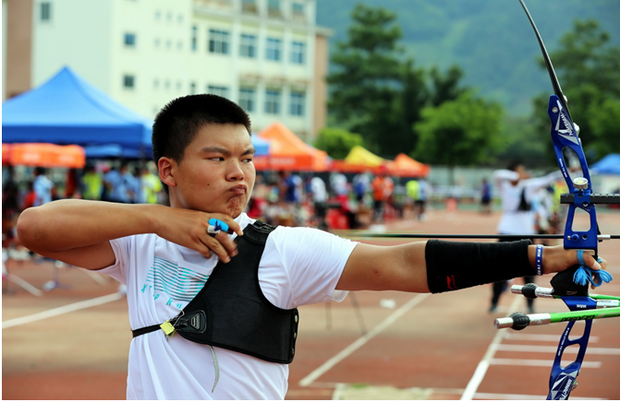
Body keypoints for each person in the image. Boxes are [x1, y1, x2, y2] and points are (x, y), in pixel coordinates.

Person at [16, 94, 604, 400]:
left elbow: (400, 262)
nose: (237, 174)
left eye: (245, 158)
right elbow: (34, 227)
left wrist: (542, 256)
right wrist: (160, 223)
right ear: (168, 169)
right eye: (216, 158)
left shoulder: (280, 250)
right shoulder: (140, 244)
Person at [490, 161, 565, 313]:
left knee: (529, 269)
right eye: (520, 170)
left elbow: (548, 179)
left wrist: (567, 170)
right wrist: (517, 175)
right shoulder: (504, 186)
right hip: (506, 231)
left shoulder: (528, 186)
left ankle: (530, 305)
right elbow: (497, 175)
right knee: (499, 269)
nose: (524, 173)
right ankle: (494, 302)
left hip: (525, 232)